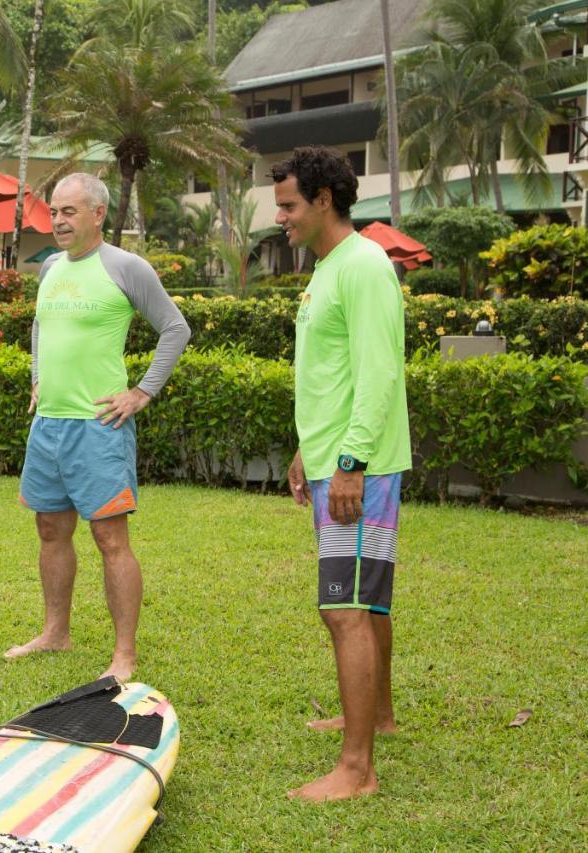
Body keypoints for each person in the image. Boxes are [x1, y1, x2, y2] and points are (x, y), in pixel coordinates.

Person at [7, 172, 191, 681]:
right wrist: (38, 376)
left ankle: (124, 653)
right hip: (48, 425)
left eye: (68, 212)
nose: (58, 221)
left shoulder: (125, 267)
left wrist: (142, 392)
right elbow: (41, 325)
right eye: (54, 211)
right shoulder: (49, 268)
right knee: (50, 530)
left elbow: (176, 328)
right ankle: (55, 633)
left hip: (98, 427)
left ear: (97, 214)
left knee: (110, 539)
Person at [273, 146, 411, 802]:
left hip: (360, 466)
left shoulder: (363, 265)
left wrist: (351, 462)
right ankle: (376, 715)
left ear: (325, 198)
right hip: (335, 459)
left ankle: (357, 768)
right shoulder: (329, 268)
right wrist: (310, 448)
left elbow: (380, 372)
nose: (282, 218)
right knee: (367, 598)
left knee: (345, 608)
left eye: (290, 205)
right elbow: (335, 374)